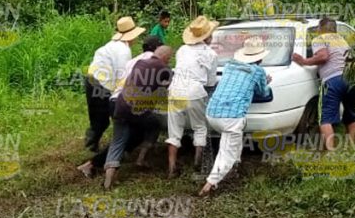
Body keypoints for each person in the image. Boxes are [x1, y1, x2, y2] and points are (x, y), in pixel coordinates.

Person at [78, 36, 162, 178]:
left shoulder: (133, 59)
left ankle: (103, 159)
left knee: (123, 135)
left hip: (115, 98)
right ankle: (94, 163)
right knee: (136, 132)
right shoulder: (153, 63)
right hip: (129, 102)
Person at [201, 37, 272, 196]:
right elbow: (263, 92)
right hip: (231, 117)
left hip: (212, 113)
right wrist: (266, 82)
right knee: (226, 152)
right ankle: (209, 184)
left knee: (233, 141)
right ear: (260, 57)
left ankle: (235, 166)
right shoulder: (257, 71)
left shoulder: (230, 66)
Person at [102, 45, 174, 189]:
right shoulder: (164, 69)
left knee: (118, 140)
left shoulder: (139, 63)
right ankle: (142, 158)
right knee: (154, 124)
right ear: (166, 58)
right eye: (170, 58)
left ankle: (109, 177)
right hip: (139, 109)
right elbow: (167, 89)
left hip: (121, 105)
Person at [291, 17, 355, 150]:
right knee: (351, 113)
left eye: (317, 28)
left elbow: (323, 56)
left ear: (321, 28)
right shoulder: (341, 40)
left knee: (325, 118)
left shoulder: (320, 39)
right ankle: (351, 148)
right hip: (351, 79)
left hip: (333, 80)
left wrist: (304, 61)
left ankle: (331, 153)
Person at [166, 16, 219, 178]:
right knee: (200, 128)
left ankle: (171, 168)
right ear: (208, 37)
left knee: (174, 132)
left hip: (175, 90)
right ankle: (197, 163)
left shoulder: (182, 50)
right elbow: (210, 81)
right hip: (195, 91)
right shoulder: (210, 54)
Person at [83, 16, 146, 152]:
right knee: (102, 118)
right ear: (131, 36)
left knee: (97, 116)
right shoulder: (123, 51)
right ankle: (93, 144)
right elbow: (121, 76)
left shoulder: (112, 45)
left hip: (91, 79)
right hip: (100, 84)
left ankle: (92, 141)